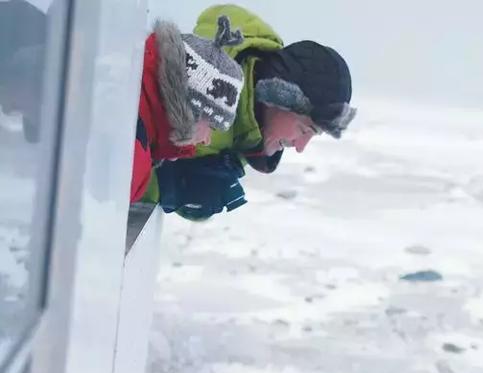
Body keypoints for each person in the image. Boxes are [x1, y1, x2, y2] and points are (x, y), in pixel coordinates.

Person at [140, 4, 356, 219]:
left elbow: (191, 203)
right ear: (279, 98)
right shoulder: (202, 83)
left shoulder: (252, 130)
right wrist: (167, 183)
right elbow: (121, 163)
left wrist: (188, 193)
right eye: (303, 130)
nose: (300, 147)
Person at [130, 14, 245, 203]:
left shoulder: (130, 94)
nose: (207, 141)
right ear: (193, 110)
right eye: (212, 127)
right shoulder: (134, 154)